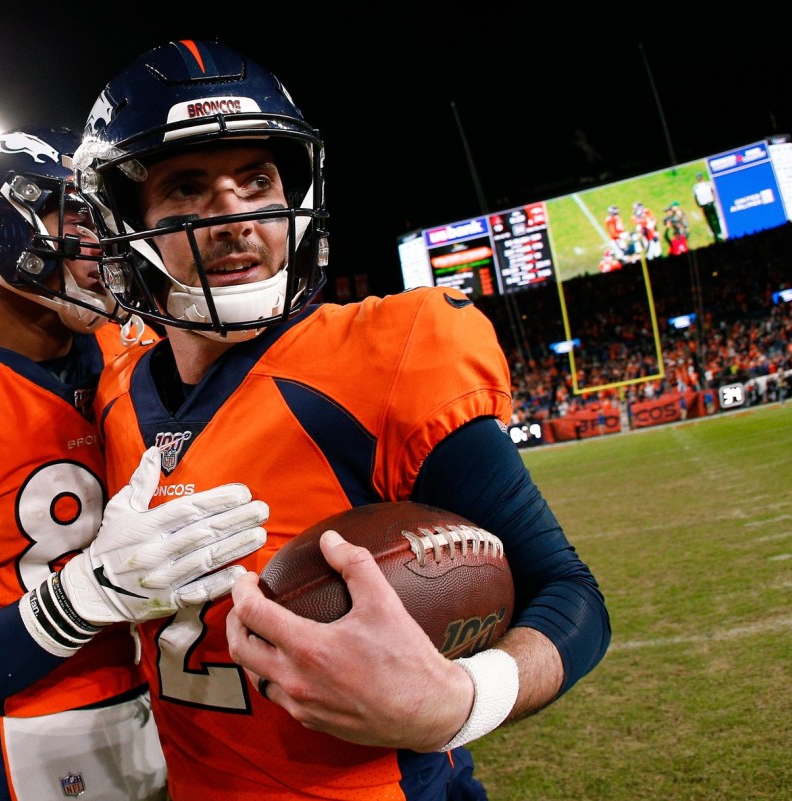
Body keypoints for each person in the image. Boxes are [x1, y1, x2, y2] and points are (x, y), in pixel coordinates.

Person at [74, 39, 611, 800]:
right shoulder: (117, 385)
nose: (234, 214)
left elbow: (569, 590)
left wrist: (461, 700)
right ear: (127, 224)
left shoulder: (389, 354)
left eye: (256, 179)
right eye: (188, 189)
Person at [0, 127, 268, 801]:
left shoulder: (141, 356)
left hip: (199, 712)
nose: (106, 247)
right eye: (83, 221)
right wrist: (86, 594)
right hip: (50, 736)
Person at [693, 172, 724, 242]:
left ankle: (717, 233)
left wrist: (699, 205)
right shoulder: (700, 186)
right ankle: (717, 233)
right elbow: (696, 197)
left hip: (707, 204)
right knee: (712, 219)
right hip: (707, 204)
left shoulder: (703, 185)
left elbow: (696, 197)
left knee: (713, 219)